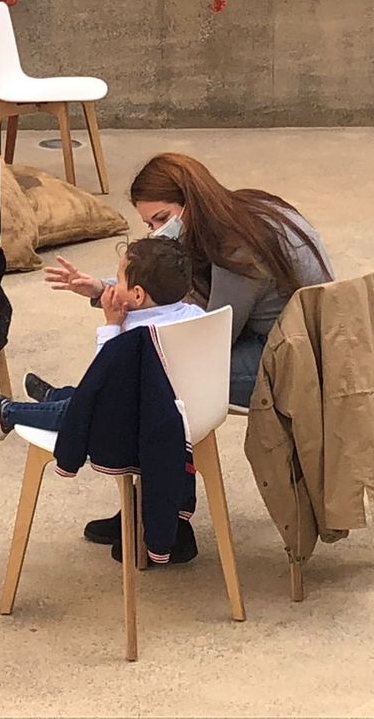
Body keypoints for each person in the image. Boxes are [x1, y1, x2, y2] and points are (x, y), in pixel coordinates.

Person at [45, 152, 333, 547]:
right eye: (150, 224)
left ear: (191, 201)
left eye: (162, 219)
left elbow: (209, 333)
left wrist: (119, 318)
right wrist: (103, 290)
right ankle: (146, 504)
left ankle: (155, 513)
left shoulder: (237, 247)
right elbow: (182, 300)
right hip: (297, 340)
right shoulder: (241, 212)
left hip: (294, 361)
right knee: (149, 368)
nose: (157, 232)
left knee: (154, 377)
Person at [0, 236, 204, 563]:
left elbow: (103, 382)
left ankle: (7, 413)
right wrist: (99, 289)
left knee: (80, 408)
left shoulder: (136, 337)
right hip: (193, 414)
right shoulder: (196, 314)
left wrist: (111, 325)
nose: (112, 286)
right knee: (78, 401)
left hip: (140, 427)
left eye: (117, 280)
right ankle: (53, 396)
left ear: (137, 295)